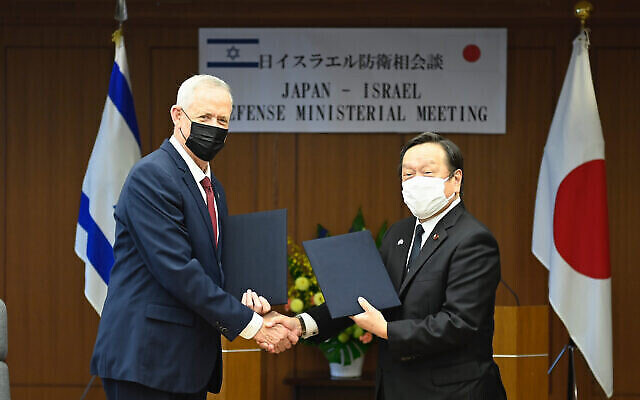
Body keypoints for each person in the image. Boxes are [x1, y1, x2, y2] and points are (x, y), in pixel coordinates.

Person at [90, 75, 296, 400]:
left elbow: (211, 268)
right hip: (149, 361)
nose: (213, 127)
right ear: (177, 115)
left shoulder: (213, 188)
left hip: (186, 364)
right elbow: (177, 270)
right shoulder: (153, 176)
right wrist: (253, 326)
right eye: (203, 118)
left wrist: (247, 300)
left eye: (222, 120)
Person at [265, 132, 507, 400]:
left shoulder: (473, 240)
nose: (416, 182)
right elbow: (361, 296)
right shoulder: (398, 234)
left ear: (456, 179)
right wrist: (301, 324)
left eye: (427, 172)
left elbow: (459, 323)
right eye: (408, 174)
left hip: (455, 392)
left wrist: (386, 330)